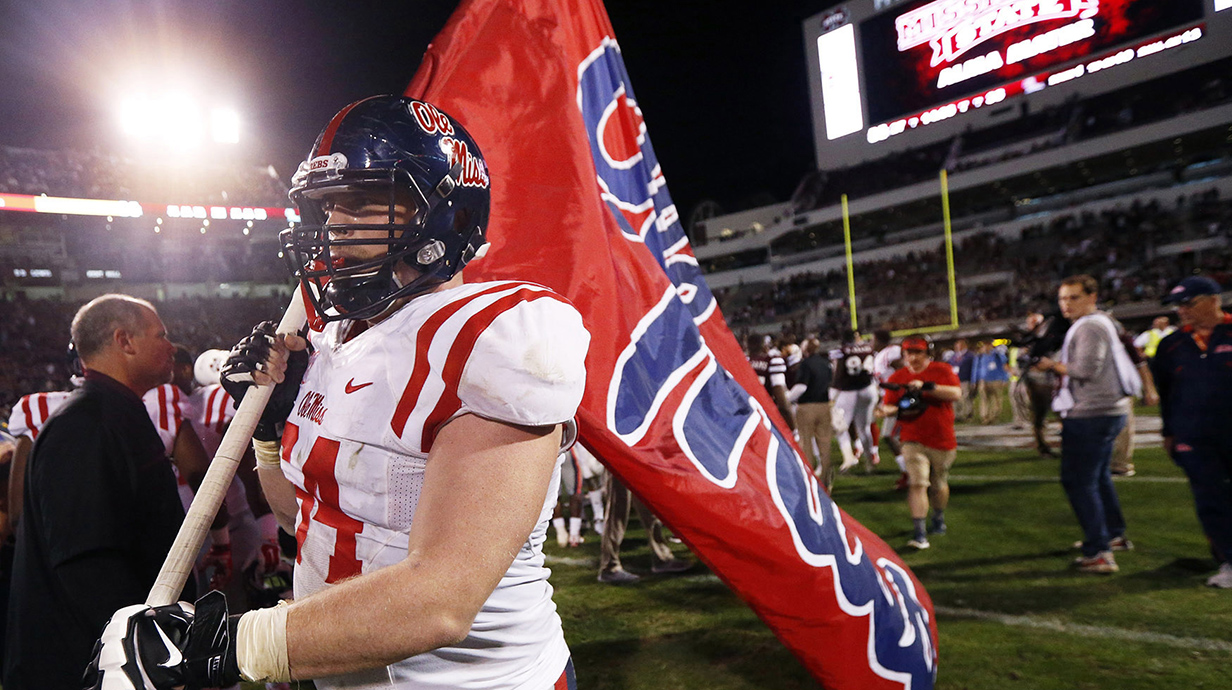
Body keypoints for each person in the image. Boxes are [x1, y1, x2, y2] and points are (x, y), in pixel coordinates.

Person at [87, 96, 588, 689]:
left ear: (447, 211)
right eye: (328, 206)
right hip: (339, 670)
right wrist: (270, 437)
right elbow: (307, 521)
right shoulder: (333, 340)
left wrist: (228, 647)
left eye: (363, 199)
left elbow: (442, 597)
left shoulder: (493, 335)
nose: (336, 224)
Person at [5, 294, 189, 690]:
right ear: (125, 341)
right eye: (162, 335)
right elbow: (85, 560)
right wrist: (146, 649)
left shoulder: (111, 410)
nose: (171, 346)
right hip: (81, 665)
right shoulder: (85, 423)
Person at [1037, 275, 1141, 574]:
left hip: (1093, 412)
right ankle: (1113, 533)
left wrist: (1050, 365)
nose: (1066, 304)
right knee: (1098, 477)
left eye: (1074, 298)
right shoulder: (1100, 322)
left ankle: (1100, 552)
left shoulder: (1090, 326)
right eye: (1062, 299)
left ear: (1092, 297)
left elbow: (1085, 370)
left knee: (1079, 481)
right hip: (1107, 409)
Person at [1151, 276, 1232, 588]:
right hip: (1194, 436)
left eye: (1188, 303)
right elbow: (1167, 393)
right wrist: (1169, 433)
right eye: (1178, 305)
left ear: (1214, 300)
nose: (1181, 310)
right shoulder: (1171, 345)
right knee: (1210, 499)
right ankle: (1227, 560)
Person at [879, 336, 961, 550]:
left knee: (939, 484)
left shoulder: (941, 370)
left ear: (928, 354)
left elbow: (956, 393)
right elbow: (889, 406)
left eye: (918, 352)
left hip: (942, 438)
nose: (913, 357)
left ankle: (938, 516)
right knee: (917, 483)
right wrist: (888, 410)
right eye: (908, 353)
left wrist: (926, 387)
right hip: (911, 438)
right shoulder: (898, 376)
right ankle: (920, 533)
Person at [597, 470, 691, 584]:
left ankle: (662, 557)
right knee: (617, 513)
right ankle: (609, 567)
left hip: (633, 459)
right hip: (617, 460)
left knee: (649, 509)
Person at [829, 329, 878, 473]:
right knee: (864, 428)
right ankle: (870, 461)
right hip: (868, 389)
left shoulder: (841, 350)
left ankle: (849, 458)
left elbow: (838, 374)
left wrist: (833, 393)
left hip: (848, 392)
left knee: (841, 427)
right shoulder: (869, 348)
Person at [789, 337, 834, 488]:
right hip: (824, 405)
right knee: (824, 443)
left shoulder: (806, 364)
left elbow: (801, 387)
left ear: (806, 349)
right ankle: (826, 482)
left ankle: (809, 482)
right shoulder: (826, 363)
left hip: (807, 407)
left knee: (806, 443)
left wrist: (788, 398)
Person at [871, 329, 907, 488]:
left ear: (879, 339)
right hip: (891, 399)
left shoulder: (891, 352)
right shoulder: (880, 355)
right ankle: (910, 472)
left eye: (872, 339)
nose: (871, 343)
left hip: (900, 400)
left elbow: (904, 369)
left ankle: (910, 474)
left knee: (891, 436)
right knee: (895, 437)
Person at [747, 333, 796, 433]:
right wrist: (793, 429)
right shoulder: (773, 361)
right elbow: (781, 398)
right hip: (768, 416)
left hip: (747, 417)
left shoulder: (743, 362)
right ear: (764, 346)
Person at [973, 340, 1009, 424]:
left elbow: (1004, 365)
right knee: (984, 399)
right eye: (984, 346)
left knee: (996, 399)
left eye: (987, 345)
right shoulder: (980, 356)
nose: (985, 348)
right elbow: (976, 368)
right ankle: (985, 417)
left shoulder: (997, 354)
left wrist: (1005, 378)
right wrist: (974, 380)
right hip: (983, 380)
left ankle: (994, 416)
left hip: (996, 379)